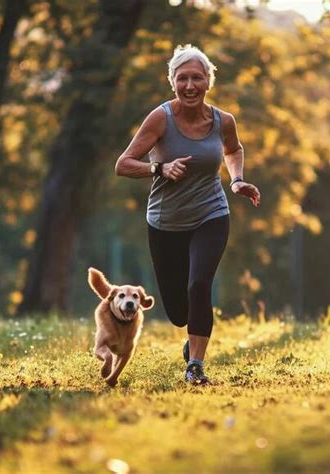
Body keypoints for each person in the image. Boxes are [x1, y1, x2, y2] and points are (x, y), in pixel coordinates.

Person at [115, 44, 260, 385]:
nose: (190, 85)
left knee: (199, 286)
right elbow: (123, 165)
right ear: (173, 82)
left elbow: (234, 149)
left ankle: (195, 363)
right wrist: (160, 169)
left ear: (209, 81)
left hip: (211, 213)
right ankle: (190, 338)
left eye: (197, 77)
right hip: (165, 223)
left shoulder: (223, 121)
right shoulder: (160, 118)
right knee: (179, 311)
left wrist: (237, 180)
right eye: (183, 78)